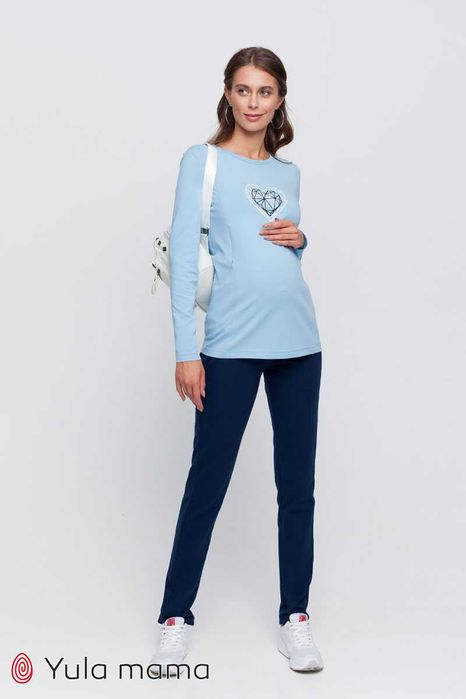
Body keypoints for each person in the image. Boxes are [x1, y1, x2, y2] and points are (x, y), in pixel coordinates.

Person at [149, 46, 324, 677]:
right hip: (228, 347)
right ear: (228, 93)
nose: (254, 102)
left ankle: (295, 616)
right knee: (207, 484)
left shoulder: (289, 173)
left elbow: (277, 253)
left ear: (280, 100)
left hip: (299, 343)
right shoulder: (201, 162)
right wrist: (186, 352)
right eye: (244, 90)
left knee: (297, 490)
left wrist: (301, 240)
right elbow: (185, 261)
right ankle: (175, 617)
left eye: (265, 91)